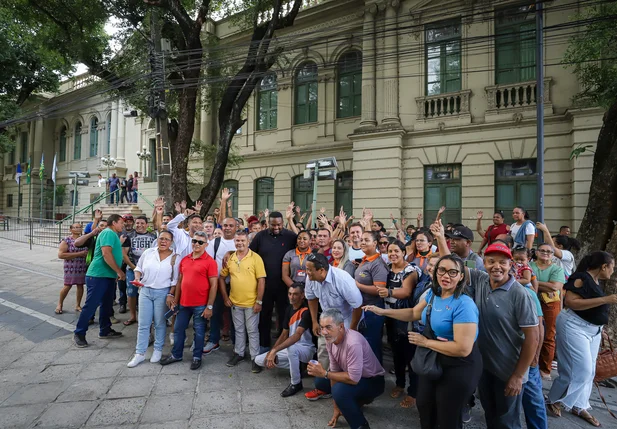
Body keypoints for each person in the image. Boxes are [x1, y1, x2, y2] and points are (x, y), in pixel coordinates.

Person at [365, 254, 482, 429]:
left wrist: (425, 342)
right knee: (425, 405)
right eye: (442, 270)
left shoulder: (464, 304)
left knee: (447, 415)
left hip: (459, 365)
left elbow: (463, 349)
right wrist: (382, 312)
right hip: (435, 360)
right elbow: (413, 313)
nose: (446, 276)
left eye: (452, 272)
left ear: (461, 276)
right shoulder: (435, 295)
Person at [547, 251, 616, 427]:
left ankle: (579, 405)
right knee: (582, 369)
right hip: (574, 326)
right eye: (612, 267)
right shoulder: (581, 278)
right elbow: (571, 302)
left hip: (593, 330)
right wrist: (606, 299)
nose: (612, 271)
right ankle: (556, 399)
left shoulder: (596, 281)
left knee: (590, 370)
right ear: (603, 266)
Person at [308, 308, 385, 429]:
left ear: (341, 327)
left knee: (339, 390)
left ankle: (360, 425)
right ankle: (355, 402)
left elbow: (353, 379)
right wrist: (336, 407)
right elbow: (334, 371)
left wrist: (325, 373)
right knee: (321, 382)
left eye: (328, 327)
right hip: (354, 377)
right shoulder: (330, 339)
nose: (324, 332)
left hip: (373, 381)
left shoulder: (353, 342)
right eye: (322, 327)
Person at [304, 253, 363, 401]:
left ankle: (345, 392)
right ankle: (324, 388)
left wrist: (353, 330)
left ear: (322, 270)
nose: (307, 273)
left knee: (344, 357)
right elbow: (311, 299)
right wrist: (314, 322)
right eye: (306, 269)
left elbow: (357, 306)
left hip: (347, 320)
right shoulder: (311, 278)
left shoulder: (342, 279)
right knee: (324, 352)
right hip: (327, 320)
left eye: (310, 270)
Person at [160, 231, 218, 370]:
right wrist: (176, 300)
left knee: (199, 332)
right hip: (184, 303)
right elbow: (180, 281)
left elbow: (214, 285)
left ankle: (197, 357)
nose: (196, 244)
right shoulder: (185, 259)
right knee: (179, 330)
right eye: (194, 241)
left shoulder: (210, 262)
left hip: (200, 304)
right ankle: (176, 355)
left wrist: (209, 306)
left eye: (200, 242)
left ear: (206, 244)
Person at [127, 231, 180, 367]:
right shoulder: (149, 252)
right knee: (143, 324)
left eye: (167, 239)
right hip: (145, 290)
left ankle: (158, 349)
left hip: (162, 292)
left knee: (159, 323)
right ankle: (139, 353)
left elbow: (175, 280)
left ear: (171, 242)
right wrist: (137, 278)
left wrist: (171, 294)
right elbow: (138, 268)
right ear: (157, 239)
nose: (163, 241)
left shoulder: (175, 257)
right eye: (161, 238)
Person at [254, 283, 316, 397]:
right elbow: (284, 334)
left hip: (306, 349)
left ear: (302, 295)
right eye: (290, 294)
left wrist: (275, 351)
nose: (291, 297)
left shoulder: (306, 311)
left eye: (295, 294)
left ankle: (296, 383)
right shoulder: (289, 309)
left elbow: (297, 335)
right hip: (291, 349)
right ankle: (300, 367)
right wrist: (272, 352)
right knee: (259, 360)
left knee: (292, 349)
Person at [73, 214, 126, 347]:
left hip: (107, 276)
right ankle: (79, 333)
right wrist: (119, 271)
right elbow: (106, 254)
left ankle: (105, 329)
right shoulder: (108, 233)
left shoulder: (112, 234)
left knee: (107, 305)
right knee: (91, 305)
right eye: (121, 223)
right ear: (114, 223)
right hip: (98, 275)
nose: (123, 225)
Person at [249, 211, 297, 350]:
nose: (276, 228)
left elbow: (302, 241)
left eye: (279, 225)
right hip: (265, 285)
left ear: (283, 223)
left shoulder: (290, 236)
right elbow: (250, 254)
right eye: (273, 225)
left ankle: (282, 346)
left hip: (284, 286)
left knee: (284, 316)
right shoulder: (260, 236)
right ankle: (264, 345)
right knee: (264, 317)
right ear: (267, 223)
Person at [382, 240, 421, 409]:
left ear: (403, 252)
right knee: (396, 353)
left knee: (410, 355)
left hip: (405, 318)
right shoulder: (387, 269)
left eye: (396, 250)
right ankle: (399, 384)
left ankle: (413, 392)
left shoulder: (410, 270)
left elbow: (406, 292)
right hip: (389, 316)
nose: (393, 254)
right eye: (390, 251)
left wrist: (389, 292)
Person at [512, 248, 548, 429]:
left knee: (532, 399)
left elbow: (538, 328)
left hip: (527, 359)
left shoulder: (528, 293)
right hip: (506, 358)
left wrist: (534, 359)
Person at [221, 231, 267, 372]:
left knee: (252, 331)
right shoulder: (231, 258)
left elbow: (261, 280)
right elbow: (221, 277)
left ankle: (255, 358)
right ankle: (239, 353)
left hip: (251, 303)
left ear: (248, 242)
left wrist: (259, 301)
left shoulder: (256, 258)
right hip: (235, 302)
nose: (239, 243)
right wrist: (225, 297)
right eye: (237, 241)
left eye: (242, 240)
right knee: (239, 330)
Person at [530, 243, 566, 381]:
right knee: (530, 333)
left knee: (548, 336)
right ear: (537, 252)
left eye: (549, 252)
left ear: (552, 255)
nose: (545, 253)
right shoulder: (530, 265)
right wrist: (545, 284)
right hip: (531, 302)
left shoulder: (557, 269)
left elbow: (555, 287)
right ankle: (531, 364)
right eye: (542, 250)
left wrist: (533, 282)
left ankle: (545, 369)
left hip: (550, 304)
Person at [204, 217, 237, 354]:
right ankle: (213, 340)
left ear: (236, 227)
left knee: (236, 317)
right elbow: (209, 262)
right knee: (215, 313)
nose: (228, 228)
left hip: (236, 285)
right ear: (221, 227)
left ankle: (237, 344)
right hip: (217, 284)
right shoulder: (215, 242)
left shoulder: (239, 241)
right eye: (225, 225)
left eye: (231, 225)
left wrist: (230, 253)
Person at [355, 231, 389, 363]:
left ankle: (375, 378)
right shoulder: (364, 260)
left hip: (373, 310)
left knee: (371, 345)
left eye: (367, 240)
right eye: (361, 239)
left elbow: (379, 290)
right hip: (362, 309)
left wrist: (357, 285)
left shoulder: (377, 264)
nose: (362, 242)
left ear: (375, 243)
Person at [121, 215, 157, 325]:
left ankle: (152, 317)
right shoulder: (128, 236)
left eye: (142, 223)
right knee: (131, 293)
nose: (139, 225)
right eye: (137, 223)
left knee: (150, 293)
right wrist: (134, 267)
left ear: (147, 224)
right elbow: (124, 254)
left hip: (149, 271)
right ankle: (133, 316)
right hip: (132, 269)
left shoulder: (153, 236)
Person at [56, 223, 88, 314]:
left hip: (81, 266)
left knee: (80, 285)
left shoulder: (84, 240)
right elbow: (61, 255)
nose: (78, 229)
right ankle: (60, 304)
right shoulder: (67, 240)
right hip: (70, 267)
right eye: (76, 227)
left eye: (80, 227)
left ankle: (78, 305)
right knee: (67, 285)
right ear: (71, 229)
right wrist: (79, 254)